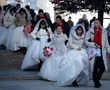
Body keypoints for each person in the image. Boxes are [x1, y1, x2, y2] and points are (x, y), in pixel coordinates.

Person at [85, 19, 110, 88]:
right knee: (95, 68)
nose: (96, 24)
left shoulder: (104, 31)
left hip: (102, 51)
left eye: (97, 23)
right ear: (93, 24)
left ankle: (97, 80)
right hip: (94, 50)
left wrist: (109, 51)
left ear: (100, 24)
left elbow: (107, 43)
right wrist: (93, 44)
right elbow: (86, 41)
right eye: (95, 23)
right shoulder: (90, 31)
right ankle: (96, 83)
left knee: (102, 68)